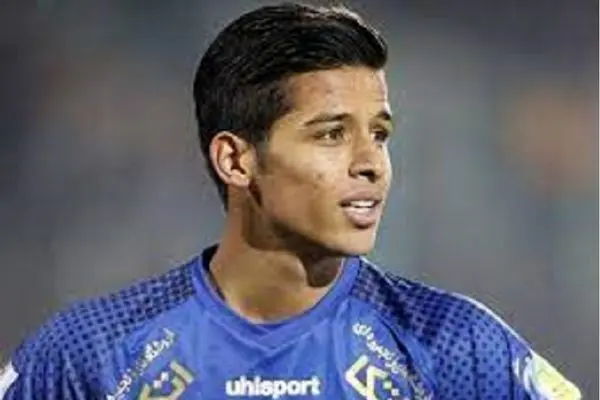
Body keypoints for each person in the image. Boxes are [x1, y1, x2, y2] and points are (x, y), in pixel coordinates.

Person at [0, 3, 581, 399]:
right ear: (235, 160)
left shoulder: (454, 345)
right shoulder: (90, 355)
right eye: (331, 134)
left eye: (379, 134)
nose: (371, 162)